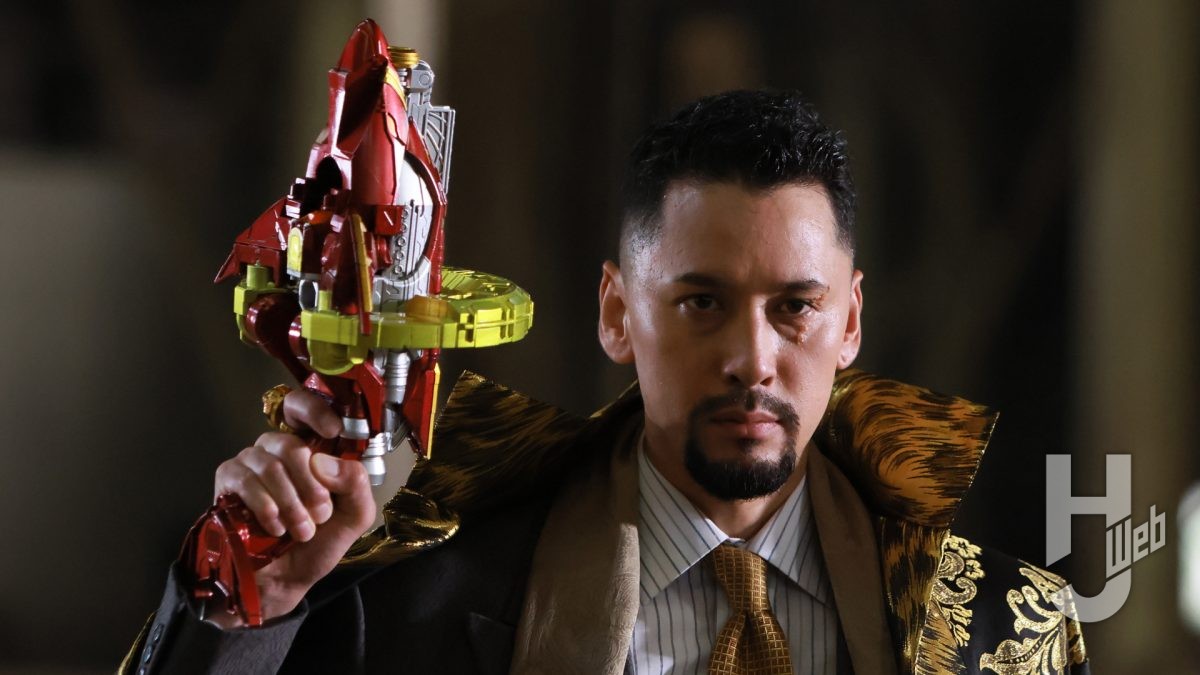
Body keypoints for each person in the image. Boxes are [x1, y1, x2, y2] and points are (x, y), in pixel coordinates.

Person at [124, 90, 1090, 674]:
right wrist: (253, 601)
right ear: (617, 314)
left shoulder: (1002, 633)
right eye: (701, 302)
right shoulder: (422, 607)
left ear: (851, 322)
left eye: (795, 307)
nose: (752, 358)